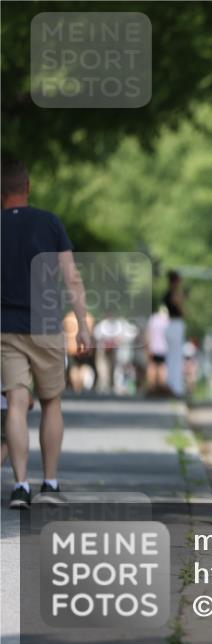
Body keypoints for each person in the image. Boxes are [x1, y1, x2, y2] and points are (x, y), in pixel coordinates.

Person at [1, 157, 92, 508]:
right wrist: (82, 324)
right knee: (52, 400)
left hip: (5, 327)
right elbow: (71, 276)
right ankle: (49, 484)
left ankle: (20, 486)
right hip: (46, 325)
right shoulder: (50, 222)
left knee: (17, 403)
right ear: (28, 188)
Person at [163, 270, 186, 396]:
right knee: (176, 358)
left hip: (170, 325)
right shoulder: (174, 294)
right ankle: (176, 387)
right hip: (176, 325)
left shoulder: (168, 293)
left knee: (172, 358)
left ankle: (172, 384)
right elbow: (183, 311)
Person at [146, 305, 170, 395]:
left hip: (153, 347)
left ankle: (152, 387)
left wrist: (148, 346)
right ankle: (161, 386)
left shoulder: (153, 319)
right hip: (164, 348)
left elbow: (149, 333)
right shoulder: (167, 321)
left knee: (152, 367)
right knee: (162, 368)